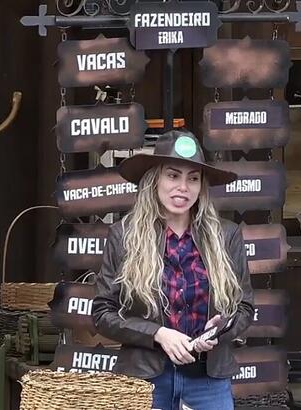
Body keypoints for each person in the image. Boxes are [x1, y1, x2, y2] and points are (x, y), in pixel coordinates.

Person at [92, 130, 254, 410]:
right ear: (155, 179)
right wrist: (156, 333)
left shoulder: (226, 235)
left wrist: (218, 332)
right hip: (146, 378)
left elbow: (245, 309)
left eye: (193, 178)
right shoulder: (124, 235)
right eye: (173, 175)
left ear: (202, 186)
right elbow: (103, 313)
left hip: (208, 381)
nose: (183, 187)